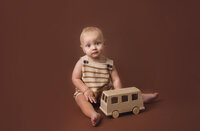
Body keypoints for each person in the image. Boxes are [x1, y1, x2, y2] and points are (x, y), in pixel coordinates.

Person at [72, 27, 159, 126]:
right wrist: (85, 90)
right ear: (82, 48)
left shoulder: (109, 63)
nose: (94, 48)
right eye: (88, 45)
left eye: (97, 43)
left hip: (104, 92)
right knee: (80, 99)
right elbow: (75, 78)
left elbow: (116, 79)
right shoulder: (82, 62)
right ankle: (93, 114)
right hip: (87, 93)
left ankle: (142, 97)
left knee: (126, 94)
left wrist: (118, 92)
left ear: (104, 44)